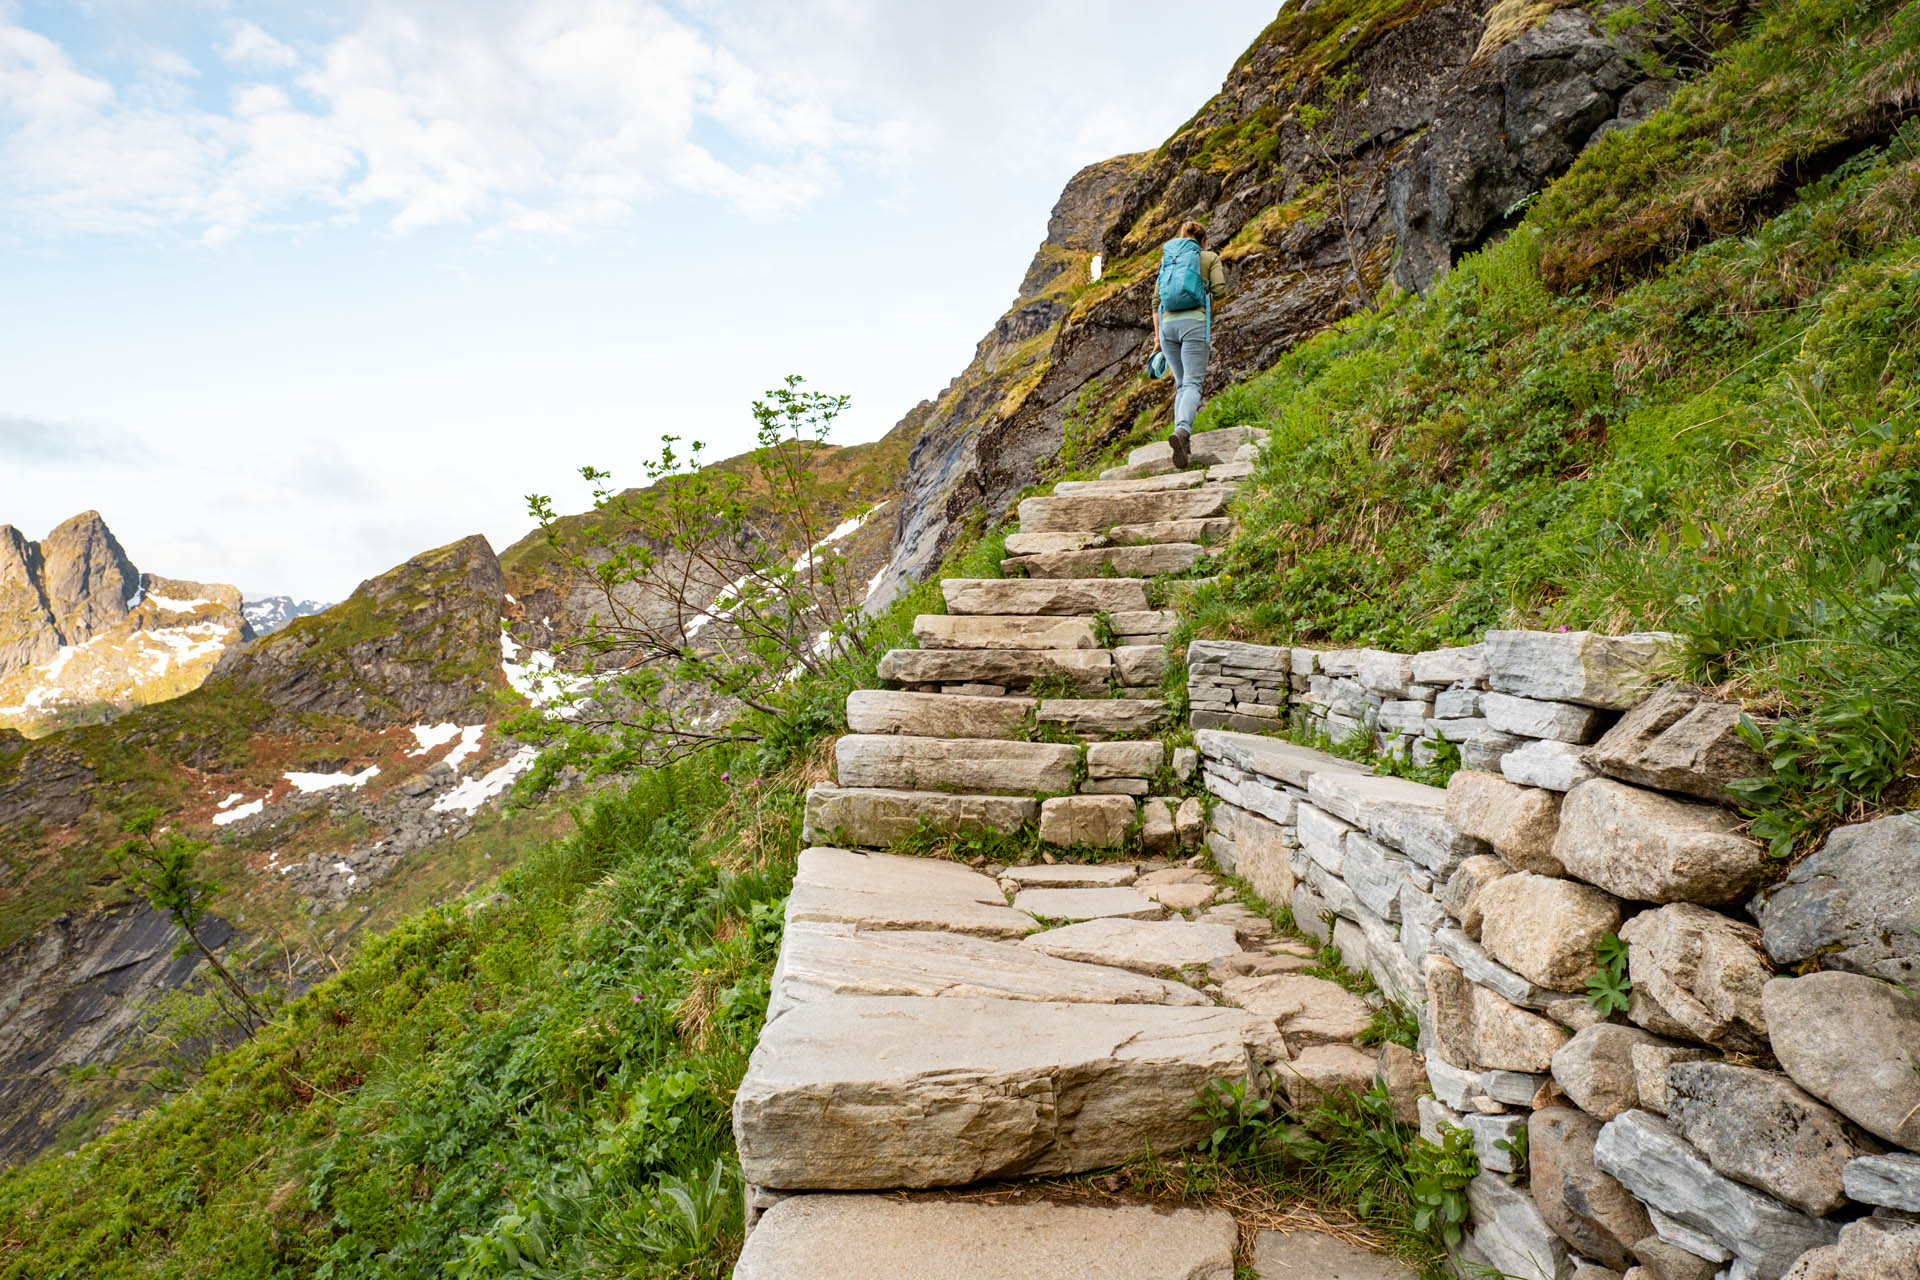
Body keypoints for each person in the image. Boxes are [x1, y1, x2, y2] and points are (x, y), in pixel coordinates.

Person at [1153, 219, 1227, 469]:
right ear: (1203, 241)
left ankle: (1181, 443)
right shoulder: (1208, 257)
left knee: (1181, 384)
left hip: (1166, 327)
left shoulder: (1168, 259)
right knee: (1193, 383)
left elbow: (1155, 302)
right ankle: (1183, 432)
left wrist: (1156, 340)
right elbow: (1219, 290)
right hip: (1194, 322)